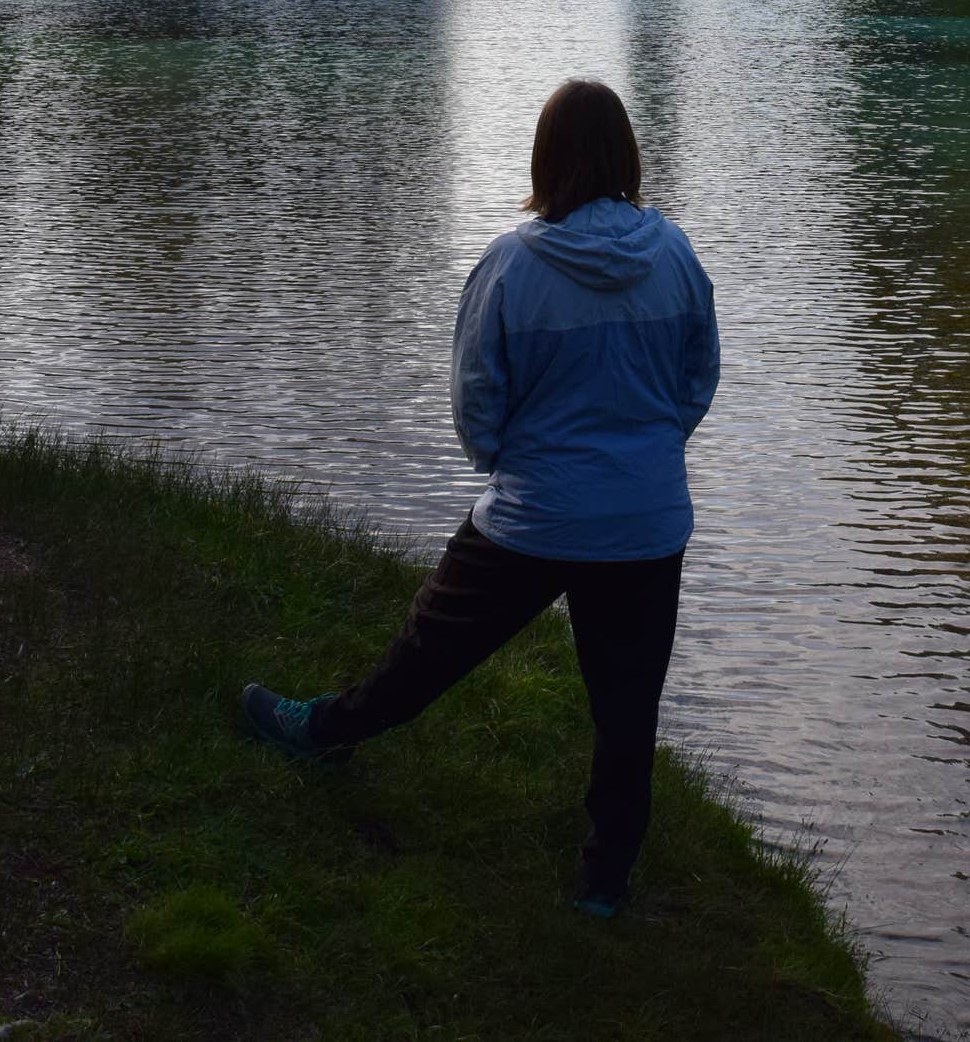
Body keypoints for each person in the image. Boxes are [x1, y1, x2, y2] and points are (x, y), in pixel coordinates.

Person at [243, 78, 720, 918]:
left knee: (429, 649)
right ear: (626, 157)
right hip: (647, 520)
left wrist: (519, 466)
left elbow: (477, 403)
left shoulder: (511, 264)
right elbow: (696, 380)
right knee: (627, 706)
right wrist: (646, 454)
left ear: (546, 158)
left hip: (535, 511)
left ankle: (325, 734)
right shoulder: (676, 254)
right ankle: (605, 884)